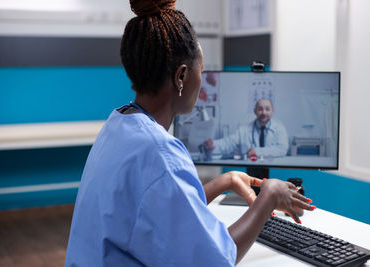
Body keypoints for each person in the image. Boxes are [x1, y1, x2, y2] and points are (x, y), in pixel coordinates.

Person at [65, 0, 315, 266]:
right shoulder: (159, 152)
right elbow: (215, 260)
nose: (202, 80)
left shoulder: (119, 126)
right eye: (202, 71)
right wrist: (269, 197)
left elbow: (153, 209)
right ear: (181, 76)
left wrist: (224, 181)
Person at [204, 98, 289, 161]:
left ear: (272, 111)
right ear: (255, 111)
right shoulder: (244, 130)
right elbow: (228, 143)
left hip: (273, 168)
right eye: (260, 109)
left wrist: (257, 151)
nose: (264, 112)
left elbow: (282, 149)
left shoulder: (279, 128)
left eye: (267, 109)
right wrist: (213, 144)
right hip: (251, 168)